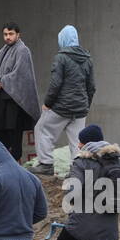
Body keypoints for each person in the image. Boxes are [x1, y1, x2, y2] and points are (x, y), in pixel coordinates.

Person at [32, 24, 94, 176]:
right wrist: (85, 105)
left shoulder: (61, 58)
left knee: (42, 129)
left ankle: (46, 164)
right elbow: (91, 87)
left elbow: (55, 83)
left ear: (63, 40)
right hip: (80, 109)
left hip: (61, 108)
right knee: (77, 141)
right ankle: (77, 170)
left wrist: (47, 103)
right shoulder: (88, 59)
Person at [0, 23, 40, 162]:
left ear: (18, 35)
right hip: (0, 102)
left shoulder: (22, 50)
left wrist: (1, 80)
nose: (8, 37)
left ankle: (13, 165)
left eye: (11, 34)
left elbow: (21, 75)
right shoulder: (3, 51)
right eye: (5, 34)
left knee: (13, 137)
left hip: (14, 103)